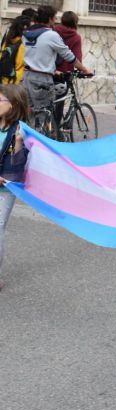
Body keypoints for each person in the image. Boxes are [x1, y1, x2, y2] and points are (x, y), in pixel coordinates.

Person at [21, 5, 90, 112]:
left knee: (30, 113)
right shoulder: (51, 35)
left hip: (26, 76)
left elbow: (35, 55)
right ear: (50, 18)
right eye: (55, 17)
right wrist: (84, 69)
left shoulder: (26, 34)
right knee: (44, 114)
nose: (56, 20)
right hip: (42, 79)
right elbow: (69, 56)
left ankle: (29, 128)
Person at [0, 84, 29, 291]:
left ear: (13, 105)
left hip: (5, 189)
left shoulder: (18, 131)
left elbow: (18, 166)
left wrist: (19, 142)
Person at [53, 11, 83, 124]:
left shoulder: (53, 31)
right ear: (75, 22)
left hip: (51, 70)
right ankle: (56, 130)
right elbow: (77, 57)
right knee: (59, 103)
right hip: (65, 73)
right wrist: (82, 70)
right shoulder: (75, 37)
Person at [0, 16, 30, 85]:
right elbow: (19, 65)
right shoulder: (21, 44)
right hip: (14, 82)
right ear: (25, 27)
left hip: (4, 79)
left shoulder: (7, 40)